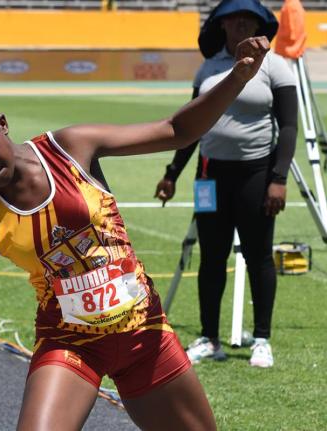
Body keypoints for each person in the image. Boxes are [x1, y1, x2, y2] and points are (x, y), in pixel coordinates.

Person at [0, 35, 269, 431]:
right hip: (70, 345)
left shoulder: (71, 148)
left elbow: (176, 130)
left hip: (145, 333)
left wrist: (238, 77)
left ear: (2, 124)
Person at [155, 0, 298, 369]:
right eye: (233, 20)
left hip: (256, 175)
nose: (240, 26)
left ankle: (262, 339)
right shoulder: (209, 69)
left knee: (259, 256)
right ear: (221, 26)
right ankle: (209, 338)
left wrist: (278, 179)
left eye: (248, 20)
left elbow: (289, 128)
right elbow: (188, 128)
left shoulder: (276, 67)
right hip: (210, 176)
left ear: (259, 26)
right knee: (212, 258)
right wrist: (172, 173)